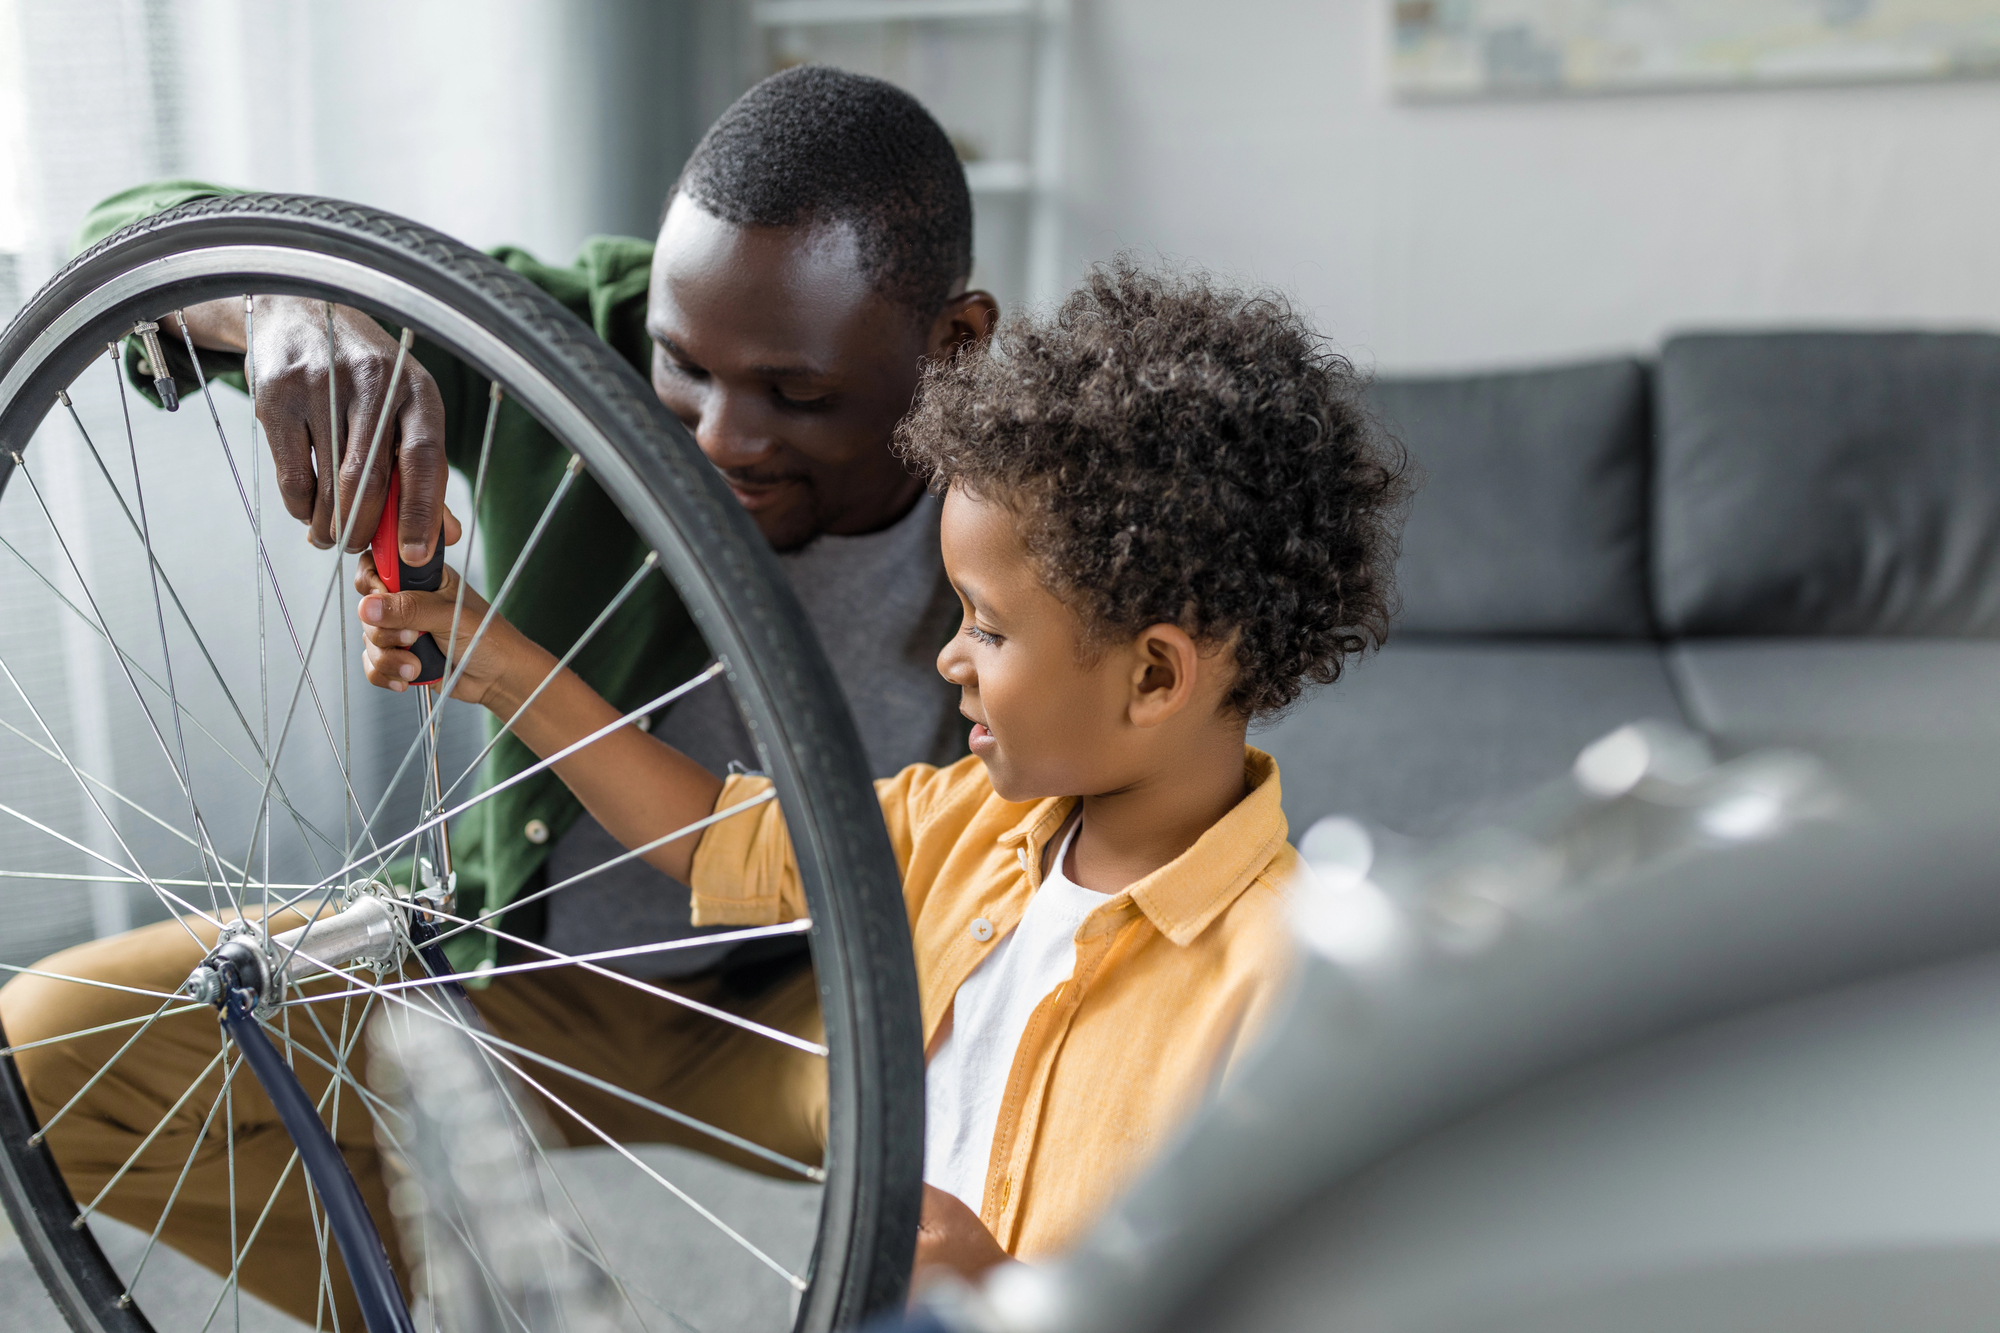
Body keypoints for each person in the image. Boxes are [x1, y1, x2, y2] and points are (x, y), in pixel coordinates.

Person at [1, 66, 1001, 1325]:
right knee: (53, 1045)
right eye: (681, 369)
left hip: (841, 1004)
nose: (717, 442)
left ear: (952, 346)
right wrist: (282, 301)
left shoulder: (1038, 498)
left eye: (797, 397)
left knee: (1037, 1186)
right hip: (524, 968)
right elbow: (133, 231)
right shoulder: (572, 344)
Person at [355, 259, 1410, 1282]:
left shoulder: (1288, 991)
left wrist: (992, 1287)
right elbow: (714, 837)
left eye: (985, 629)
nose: (947, 655)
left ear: (1151, 676)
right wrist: (503, 667)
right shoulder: (963, 822)